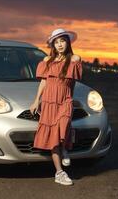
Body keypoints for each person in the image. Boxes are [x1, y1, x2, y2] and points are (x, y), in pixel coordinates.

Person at [29, 28, 83, 186]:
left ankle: (65, 148)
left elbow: (72, 83)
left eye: (63, 41)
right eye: (56, 42)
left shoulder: (74, 59)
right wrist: (36, 101)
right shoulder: (47, 61)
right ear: (52, 44)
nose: (60, 44)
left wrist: (70, 99)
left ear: (68, 42)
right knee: (52, 136)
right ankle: (59, 172)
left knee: (64, 123)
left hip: (65, 99)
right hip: (48, 100)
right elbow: (44, 82)